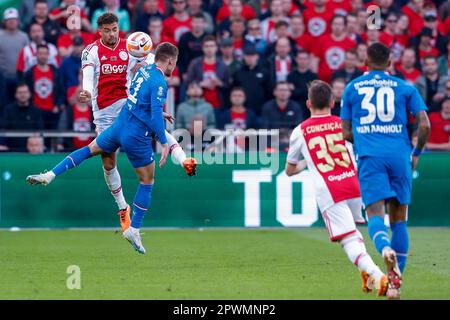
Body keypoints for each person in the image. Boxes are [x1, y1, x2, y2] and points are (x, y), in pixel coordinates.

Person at [26, 42, 180, 255]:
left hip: (119, 124)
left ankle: (51, 174)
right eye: (175, 63)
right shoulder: (160, 81)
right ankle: (134, 229)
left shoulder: (144, 71)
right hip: (134, 134)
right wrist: (163, 141)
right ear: (170, 60)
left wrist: (155, 114)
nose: (175, 67)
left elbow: (138, 99)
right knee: (147, 181)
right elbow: (154, 113)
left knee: (90, 149)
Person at [79, 13, 196, 232]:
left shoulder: (131, 46)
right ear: (100, 31)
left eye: (114, 29)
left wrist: (144, 66)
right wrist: (86, 90)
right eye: (107, 30)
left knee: (156, 127)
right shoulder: (91, 51)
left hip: (128, 106)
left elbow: (154, 60)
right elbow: (87, 74)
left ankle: (183, 159)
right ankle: (123, 208)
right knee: (108, 164)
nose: (112, 33)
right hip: (103, 112)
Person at [341, 42, 431, 299]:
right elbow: (424, 124)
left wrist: (366, 138)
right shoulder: (405, 87)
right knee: (400, 220)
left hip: (371, 157)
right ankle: (395, 285)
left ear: (365, 63)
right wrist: (416, 154)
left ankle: (384, 249)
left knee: (375, 215)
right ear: (390, 62)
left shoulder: (352, 88)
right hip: (400, 157)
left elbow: (346, 131)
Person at [285, 80, 388, 298]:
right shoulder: (345, 124)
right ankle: (367, 273)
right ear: (333, 102)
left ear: (308, 103)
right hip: (353, 183)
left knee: (348, 239)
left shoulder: (300, 131)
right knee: (354, 231)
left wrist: (308, 162)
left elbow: (290, 170)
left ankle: (377, 275)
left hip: (329, 190)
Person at [0, 84, 44, 152]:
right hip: (12, 149)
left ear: (29, 94)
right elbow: (3, 128)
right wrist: (2, 144)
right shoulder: (8, 110)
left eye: (25, 92)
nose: (22, 95)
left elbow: (39, 129)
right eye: (20, 92)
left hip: (31, 150)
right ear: (15, 95)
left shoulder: (36, 110)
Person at [0, 8, 30, 103]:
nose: (11, 22)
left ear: (18, 21)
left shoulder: (24, 37)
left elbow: (28, 56)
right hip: (2, 76)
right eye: (9, 20)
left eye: (14, 19)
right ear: (4, 22)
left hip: (20, 76)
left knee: (19, 102)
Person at [233, 44, 270, 116]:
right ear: (244, 57)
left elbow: (269, 91)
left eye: (252, 55)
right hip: (243, 110)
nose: (250, 58)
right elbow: (234, 90)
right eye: (247, 55)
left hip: (260, 110)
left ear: (257, 56)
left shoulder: (265, 72)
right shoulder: (238, 73)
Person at [287, 49, 318, 118]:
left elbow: (313, 95)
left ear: (308, 60)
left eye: (305, 59)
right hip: (293, 107)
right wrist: (306, 89)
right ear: (296, 59)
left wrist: (296, 90)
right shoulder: (291, 76)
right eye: (300, 59)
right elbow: (291, 94)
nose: (303, 61)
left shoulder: (314, 76)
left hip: (309, 109)